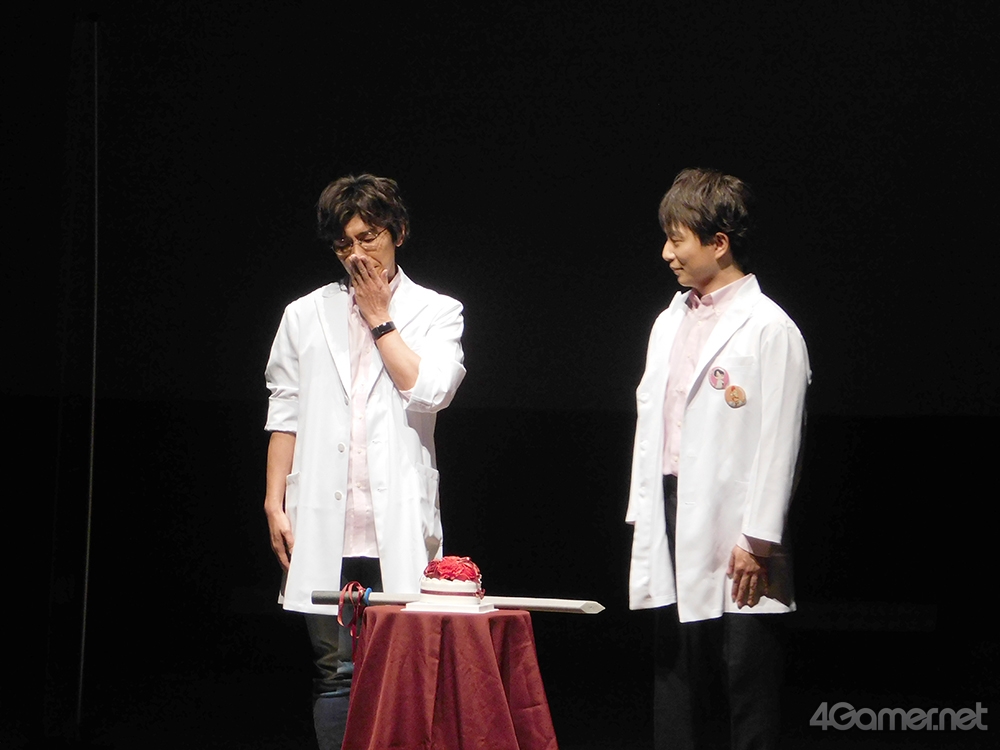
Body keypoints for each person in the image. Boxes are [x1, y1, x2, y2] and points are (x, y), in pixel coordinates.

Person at [263, 174, 466, 748]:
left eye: (369, 237)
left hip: (394, 517)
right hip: (322, 519)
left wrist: (380, 318)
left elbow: (431, 390)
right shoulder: (304, 314)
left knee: (407, 671)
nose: (357, 253)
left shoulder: (437, 310)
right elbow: (285, 410)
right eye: (344, 243)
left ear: (398, 232)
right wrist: (274, 502)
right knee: (335, 673)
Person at [625, 168, 810, 750]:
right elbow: (653, 421)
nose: (667, 253)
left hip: (739, 529)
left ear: (719, 243)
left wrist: (758, 539)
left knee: (744, 677)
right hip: (672, 509)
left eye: (676, 239)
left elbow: (781, 440)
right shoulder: (669, 320)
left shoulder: (771, 328)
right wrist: (645, 511)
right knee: (676, 672)